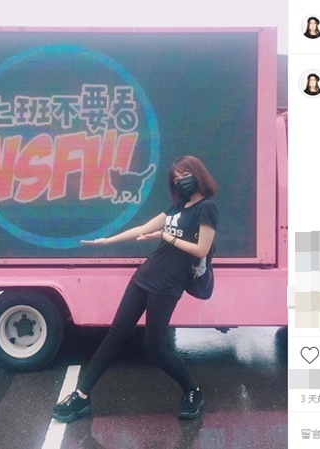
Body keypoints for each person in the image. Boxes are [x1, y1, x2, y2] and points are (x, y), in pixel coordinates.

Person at [51, 155, 218, 423]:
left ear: (197, 174)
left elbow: (201, 249)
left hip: (168, 285)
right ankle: (81, 396)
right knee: (115, 334)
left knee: (155, 346)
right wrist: (107, 241)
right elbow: (142, 228)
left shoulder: (206, 208)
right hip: (145, 276)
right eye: (175, 179)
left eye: (184, 175)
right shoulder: (177, 207)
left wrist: (166, 236)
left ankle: (192, 391)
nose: (180, 182)